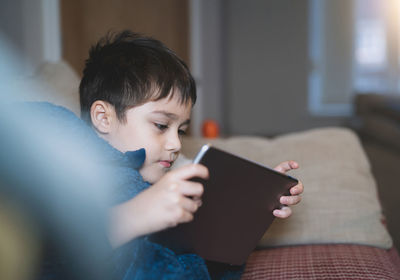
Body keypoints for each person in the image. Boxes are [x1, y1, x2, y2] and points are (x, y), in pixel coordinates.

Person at [44, 30, 303, 279]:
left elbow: (199, 264)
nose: (175, 144)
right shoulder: (71, 170)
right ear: (103, 117)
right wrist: (135, 214)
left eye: (181, 130)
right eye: (161, 125)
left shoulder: (170, 179)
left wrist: (248, 208)